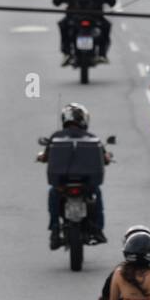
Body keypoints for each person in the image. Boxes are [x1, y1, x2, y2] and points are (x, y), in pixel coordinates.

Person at [37, 102, 110, 249]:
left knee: (53, 194)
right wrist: (107, 157)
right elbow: (104, 157)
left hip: (62, 184)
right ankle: (98, 229)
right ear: (83, 120)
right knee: (97, 194)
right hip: (87, 184)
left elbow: (45, 156)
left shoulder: (56, 136)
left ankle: (55, 228)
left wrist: (42, 157)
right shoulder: (91, 138)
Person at [53, 0, 116, 64]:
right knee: (106, 26)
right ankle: (102, 54)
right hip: (95, 18)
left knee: (63, 25)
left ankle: (67, 53)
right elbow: (112, 2)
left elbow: (56, 2)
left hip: (74, 19)